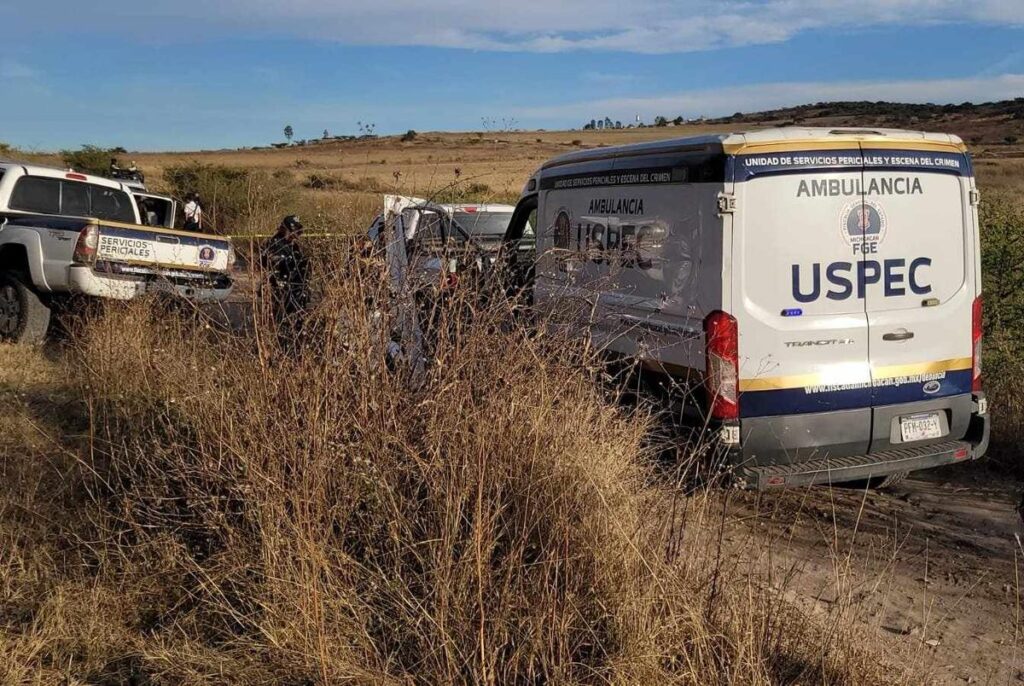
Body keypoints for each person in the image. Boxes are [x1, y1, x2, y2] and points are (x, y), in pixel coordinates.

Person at [261, 215, 311, 347]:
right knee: (280, 323)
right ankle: (277, 346)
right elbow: (267, 264)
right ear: (284, 229)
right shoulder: (274, 244)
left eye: (297, 232)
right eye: (293, 231)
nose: (296, 235)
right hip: (280, 290)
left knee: (297, 324)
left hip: (296, 290)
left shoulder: (294, 247)